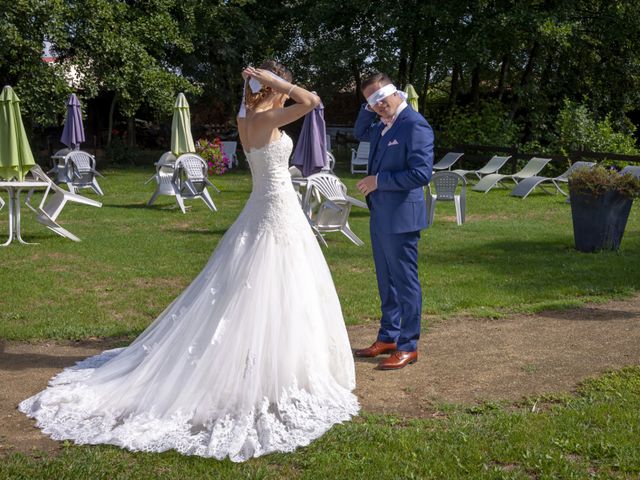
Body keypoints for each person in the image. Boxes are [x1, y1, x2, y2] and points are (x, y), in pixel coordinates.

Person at [19, 60, 358, 462]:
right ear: (272, 86)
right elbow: (313, 100)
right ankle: (270, 372)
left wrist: (262, 84)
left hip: (263, 205)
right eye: (278, 84)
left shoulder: (246, 116)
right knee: (276, 282)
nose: (284, 90)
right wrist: (275, 81)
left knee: (256, 283)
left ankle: (273, 361)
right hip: (277, 207)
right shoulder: (269, 117)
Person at [352, 72, 433, 370]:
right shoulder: (378, 125)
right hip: (380, 215)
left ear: (395, 91)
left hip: (401, 218)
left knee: (405, 282)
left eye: (381, 96)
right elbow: (359, 131)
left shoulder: (415, 125)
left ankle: (408, 345)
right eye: (371, 101)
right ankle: (389, 336)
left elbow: (422, 173)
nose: (379, 104)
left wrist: (379, 181)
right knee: (386, 281)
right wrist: (368, 106)